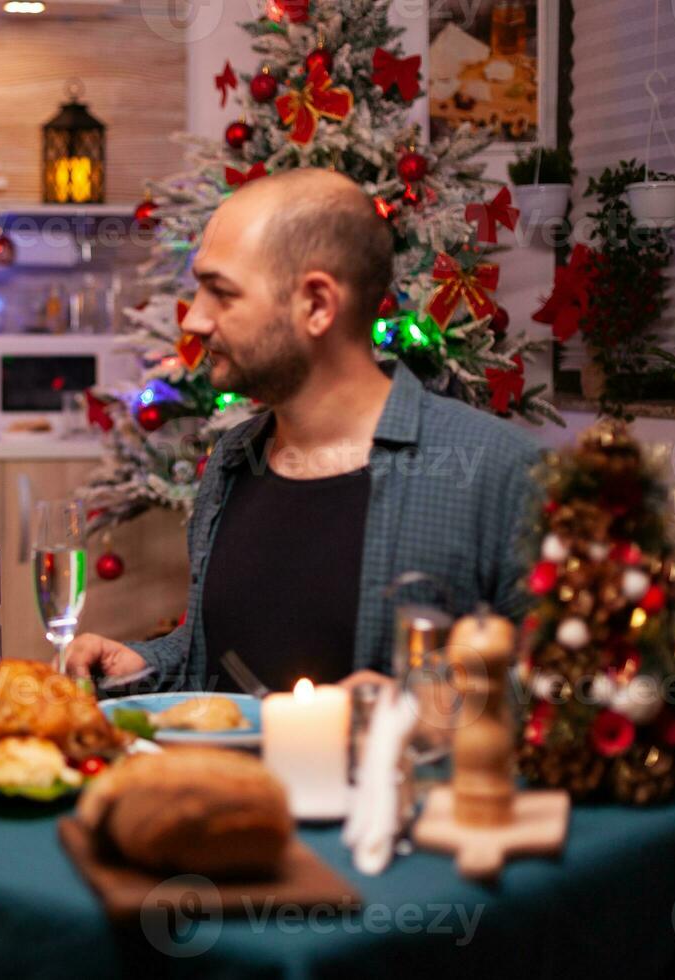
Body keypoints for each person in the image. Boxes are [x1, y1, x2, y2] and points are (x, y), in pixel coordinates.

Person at [65, 169, 541, 694]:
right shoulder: (232, 460)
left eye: (220, 292)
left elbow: (557, 698)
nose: (194, 320)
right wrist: (141, 662)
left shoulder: (499, 472)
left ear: (316, 305)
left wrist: (408, 710)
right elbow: (219, 651)